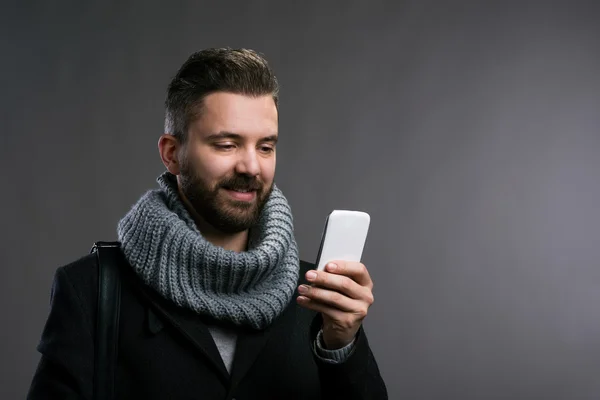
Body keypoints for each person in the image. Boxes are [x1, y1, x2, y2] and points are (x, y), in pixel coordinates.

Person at [27, 48, 388, 399]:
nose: (251, 167)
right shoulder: (92, 290)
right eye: (227, 144)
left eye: (265, 146)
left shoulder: (316, 296)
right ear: (172, 154)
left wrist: (341, 345)